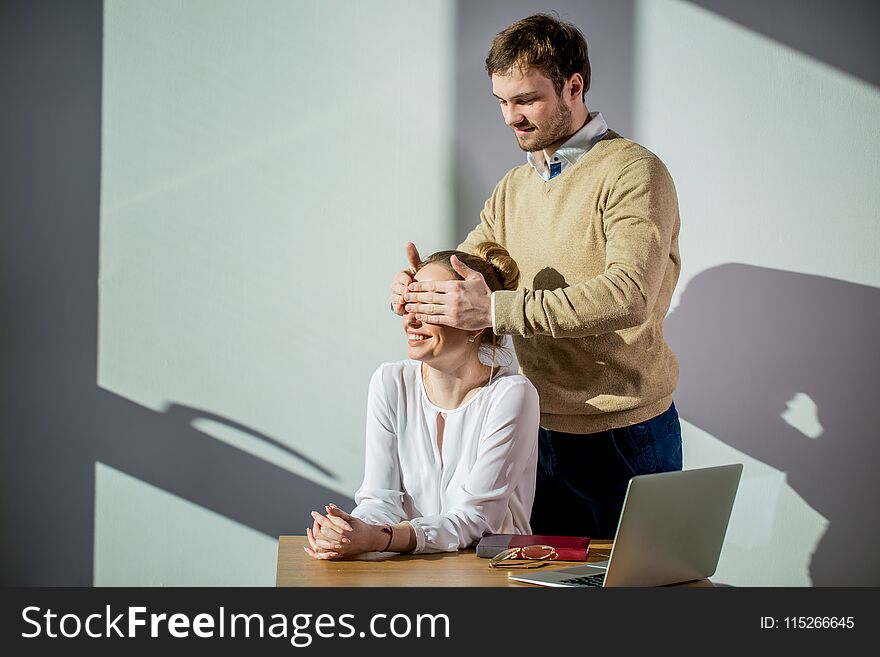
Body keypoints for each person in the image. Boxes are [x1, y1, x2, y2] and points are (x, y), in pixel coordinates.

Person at [390, 13, 682, 539]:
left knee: (641, 598)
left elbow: (629, 294)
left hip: (626, 433)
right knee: (546, 595)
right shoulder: (514, 188)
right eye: (501, 102)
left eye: (526, 100)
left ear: (574, 86)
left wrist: (496, 311)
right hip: (539, 429)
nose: (510, 117)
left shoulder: (633, 172)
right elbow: (468, 268)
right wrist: (421, 291)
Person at [305, 243, 540, 559]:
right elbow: (379, 501)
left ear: (477, 320)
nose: (411, 321)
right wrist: (348, 531)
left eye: (431, 307)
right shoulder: (391, 382)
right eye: (411, 304)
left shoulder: (512, 395)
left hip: (493, 572)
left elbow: (475, 521)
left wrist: (380, 538)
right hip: (416, 570)